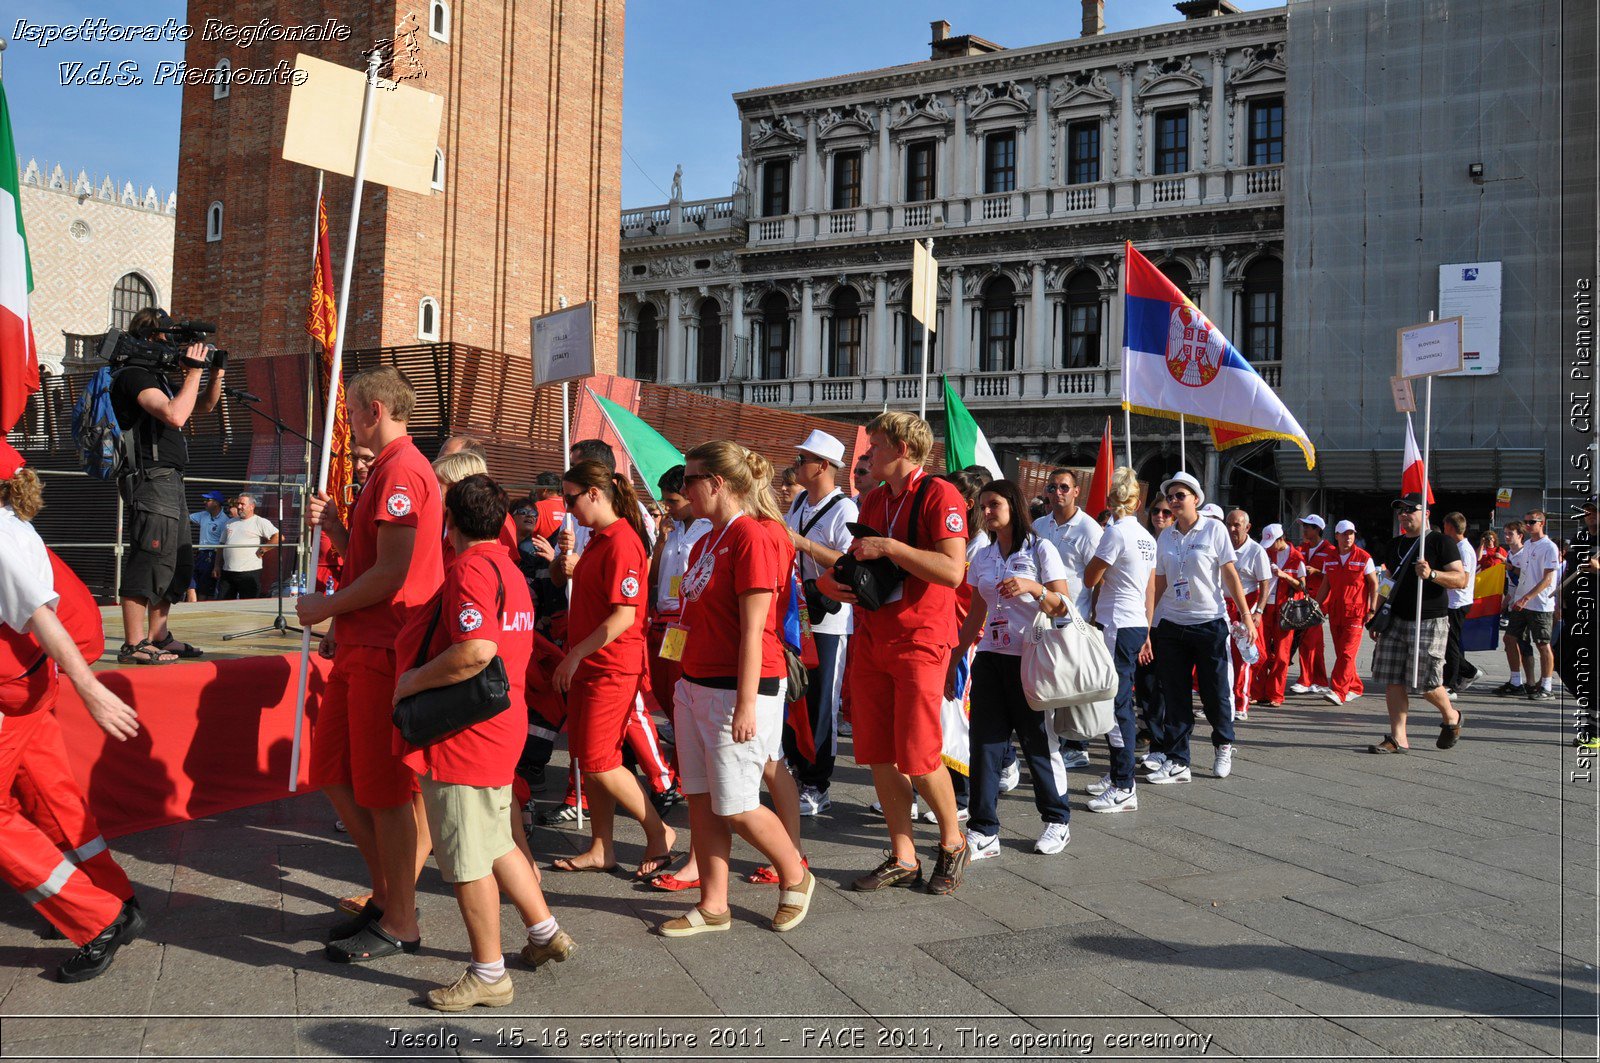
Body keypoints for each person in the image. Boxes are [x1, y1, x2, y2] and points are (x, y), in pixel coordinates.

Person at [393, 473, 574, 1011]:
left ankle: (488, 972)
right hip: (502, 721)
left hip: (466, 734)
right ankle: (544, 933)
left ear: (449, 521)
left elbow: (475, 649)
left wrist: (412, 681)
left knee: (469, 858)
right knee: (497, 840)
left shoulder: (471, 567)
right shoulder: (508, 567)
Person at [297, 366, 443, 963]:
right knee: (334, 771)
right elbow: (375, 560)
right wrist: (336, 526)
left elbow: (394, 572)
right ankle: (389, 894)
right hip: (363, 645)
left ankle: (400, 916)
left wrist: (326, 607)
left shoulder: (403, 468)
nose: (348, 422)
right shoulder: (388, 470)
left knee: (383, 790)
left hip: (385, 647)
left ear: (374, 410)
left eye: (352, 412)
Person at [0, 441, 145, 983]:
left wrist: (90, 689)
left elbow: (39, 615)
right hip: (28, 686)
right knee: (51, 798)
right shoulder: (12, 522)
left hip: (13, 690)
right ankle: (113, 897)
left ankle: (96, 916)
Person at [659, 441, 812, 936]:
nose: (682, 490)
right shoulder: (708, 539)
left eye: (689, 480)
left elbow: (754, 629)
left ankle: (796, 874)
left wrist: (747, 702)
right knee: (700, 799)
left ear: (716, 483)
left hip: (738, 689)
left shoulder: (751, 536)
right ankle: (713, 906)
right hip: (697, 683)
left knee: (738, 804)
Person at [815, 412, 971, 895]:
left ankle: (952, 841)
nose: (866, 455)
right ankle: (903, 854)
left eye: (875, 446)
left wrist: (889, 548)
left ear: (903, 448)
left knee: (920, 755)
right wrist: (832, 581)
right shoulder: (876, 497)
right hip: (874, 636)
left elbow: (952, 571)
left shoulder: (939, 494)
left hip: (920, 639)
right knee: (878, 754)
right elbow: (860, 559)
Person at [549, 460, 677, 876]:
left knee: (600, 760)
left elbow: (623, 615)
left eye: (571, 498)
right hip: (593, 663)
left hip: (611, 666)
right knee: (590, 760)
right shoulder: (602, 538)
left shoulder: (622, 540)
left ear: (593, 493)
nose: (568, 508)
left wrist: (574, 654)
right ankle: (602, 847)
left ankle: (659, 833)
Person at [952, 479, 1073, 857]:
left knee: (1038, 742)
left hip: (1032, 657)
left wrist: (1033, 588)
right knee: (984, 744)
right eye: (983, 506)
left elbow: (1064, 606)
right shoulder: (983, 556)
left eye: (994, 505)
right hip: (990, 657)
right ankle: (983, 829)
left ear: (1013, 505)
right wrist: (955, 658)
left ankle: (1057, 820)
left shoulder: (1041, 549)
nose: (986, 512)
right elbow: (975, 614)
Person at [112, 308, 225, 664]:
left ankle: (158, 636)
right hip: (150, 477)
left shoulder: (157, 378)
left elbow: (201, 406)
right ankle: (133, 644)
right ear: (149, 339)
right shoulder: (133, 375)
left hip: (171, 478)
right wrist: (192, 372)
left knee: (175, 559)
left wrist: (214, 374)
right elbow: (175, 415)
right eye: (168, 339)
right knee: (149, 555)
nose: (175, 347)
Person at [1145, 472, 1256, 783]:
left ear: (1196, 498)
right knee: (1175, 694)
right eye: (1170, 497)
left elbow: (1230, 573)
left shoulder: (1214, 529)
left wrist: (1246, 615)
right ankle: (1179, 760)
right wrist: (1150, 624)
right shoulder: (1166, 536)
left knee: (1214, 692)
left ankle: (1223, 744)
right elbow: (1161, 582)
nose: (1174, 501)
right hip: (1171, 624)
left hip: (1208, 622)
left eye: (1180, 495)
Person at [782, 430, 857, 817]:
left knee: (821, 703)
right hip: (798, 614)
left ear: (823, 466)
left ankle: (818, 783)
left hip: (829, 618)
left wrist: (802, 543)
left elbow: (848, 562)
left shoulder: (844, 509)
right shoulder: (797, 502)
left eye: (803, 460)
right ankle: (797, 770)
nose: (797, 466)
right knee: (794, 694)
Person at [1366, 493, 1465, 754]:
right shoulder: (1395, 544)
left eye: (1411, 509)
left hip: (1429, 620)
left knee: (1426, 683)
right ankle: (1398, 738)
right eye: (1400, 509)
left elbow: (1461, 579)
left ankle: (1451, 716)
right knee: (1393, 679)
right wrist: (1377, 614)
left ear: (1427, 514)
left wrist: (1432, 574)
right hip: (1395, 619)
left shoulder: (1440, 542)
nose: (1404, 513)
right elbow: (1387, 581)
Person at [1083, 467, 1157, 812]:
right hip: (1134, 622)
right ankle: (1117, 774)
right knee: (1119, 700)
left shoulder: (1115, 533)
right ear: (1138, 502)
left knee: (1116, 703)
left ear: (1112, 501)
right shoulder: (1147, 536)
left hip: (1116, 622)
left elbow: (1089, 576)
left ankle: (1124, 784)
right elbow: (1149, 585)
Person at [1030, 468, 1101, 770]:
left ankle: (1078, 745)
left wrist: (1093, 616)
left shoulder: (1089, 529)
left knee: (1073, 682)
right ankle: (1052, 739)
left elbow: (1098, 577)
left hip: (1075, 615)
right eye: (1052, 487)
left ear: (1076, 492)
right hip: (1041, 614)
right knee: (1050, 679)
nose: (1057, 492)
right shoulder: (1038, 525)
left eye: (1063, 487)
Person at [1496, 510, 1560, 701]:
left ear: (1542, 523)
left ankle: (1547, 686)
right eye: (1526, 522)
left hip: (1540, 604)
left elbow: (1548, 579)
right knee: (1509, 639)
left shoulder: (1549, 547)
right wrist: (1513, 594)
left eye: (1532, 522)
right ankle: (1516, 682)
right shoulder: (1528, 546)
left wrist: (1527, 597)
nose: (1528, 525)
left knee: (1542, 644)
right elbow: (1523, 573)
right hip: (1521, 603)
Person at [1316, 519, 1378, 705]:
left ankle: (1339, 691)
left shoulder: (1364, 557)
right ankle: (1355, 687)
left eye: (1350, 533)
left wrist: (1373, 609)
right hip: (1335, 613)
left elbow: (1374, 584)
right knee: (1342, 654)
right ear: (1336, 536)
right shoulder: (1330, 558)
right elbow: (1325, 585)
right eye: (1344, 534)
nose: (1348, 537)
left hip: (1356, 612)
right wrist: (1315, 606)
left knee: (1346, 654)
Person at [1221, 509, 1271, 722]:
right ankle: (1220, 701)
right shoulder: (1221, 546)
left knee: (1243, 658)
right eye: (1229, 524)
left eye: (1236, 525)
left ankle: (1241, 703)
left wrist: (1257, 612)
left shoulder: (1256, 551)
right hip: (1222, 606)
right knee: (1220, 657)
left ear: (1247, 527)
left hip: (1245, 608)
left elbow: (1265, 583)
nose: (1232, 529)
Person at [1255, 523, 1306, 709]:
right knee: (1260, 652)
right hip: (1265, 608)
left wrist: (1284, 575)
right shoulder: (1266, 553)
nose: (1269, 546)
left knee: (1282, 655)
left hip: (1285, 611)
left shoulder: (1297, 557)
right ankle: (1258, 692)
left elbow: (1302, 587)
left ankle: (1275, 694)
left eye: (1271, 542)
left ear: (1281, 539)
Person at [1289, 515, 1335, 696]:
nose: (1304, 530)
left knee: (1308, 640)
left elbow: (1334, 575)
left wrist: (1316, 571)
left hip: (1318, 601)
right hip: (1303, 599)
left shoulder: (1330, 550)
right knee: (1314, 642)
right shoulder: (1302, 548)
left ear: (1317, 529)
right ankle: (1320, 681)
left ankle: (1306, 680)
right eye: (1304, 526)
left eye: (1308, 527)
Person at [1440, 512, 1482, 694]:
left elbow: (1462, 579)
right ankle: (1462, 674)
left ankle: (1454, 681)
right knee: (1451, 643)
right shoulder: (1459, 547)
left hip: (1458, 602)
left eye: (1444, 526)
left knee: (1450, 644)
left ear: (1450, 527)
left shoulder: (1463, 549)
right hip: (1453, 601)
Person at [214, 492, 280, 600]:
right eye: (238, 504)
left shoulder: (259, 522)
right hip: (228, 572)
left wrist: (264, 549)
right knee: (223, 603)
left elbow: (278, 537)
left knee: (249, 603)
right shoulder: (230, 522)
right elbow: (221, 545)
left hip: (249, 572)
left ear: (251, 506)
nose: (239, 507)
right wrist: (216, 565)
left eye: (242, 504)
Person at [189, 489, 230, 599]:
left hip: (212, 555)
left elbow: (223, 544)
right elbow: (186, 518)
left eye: (208, 500)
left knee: (205, 587)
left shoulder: (225, 521)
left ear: (216, 502)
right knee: (191, 584)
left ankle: (201, 609)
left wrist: (217, 564)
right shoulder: (203, 515)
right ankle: (192, 608)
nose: (204, 502)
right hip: (200, 554)